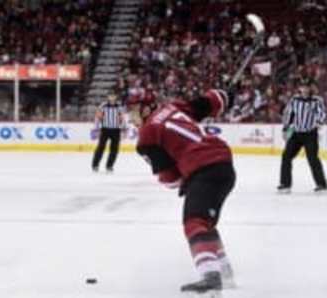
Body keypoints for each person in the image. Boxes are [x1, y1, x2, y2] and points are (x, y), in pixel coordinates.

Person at [126, 89, 236, 296]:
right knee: (204, 222)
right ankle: (224, 270)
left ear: (147, 108)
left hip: (204, 169)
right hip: (224, 165)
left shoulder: (147, 135)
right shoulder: (173, 107)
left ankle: (211, 277)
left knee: (194, 223)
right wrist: (227, 94)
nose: (131, 117)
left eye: (133, 111)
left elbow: (171, 179)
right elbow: (214, 100)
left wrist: (182, 178)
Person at [278, 78, 327, 193]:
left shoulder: (316, 100)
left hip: (310, 134)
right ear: (299, 88)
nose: (304, 89)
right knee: (286, 156)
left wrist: (319, 122)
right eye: (302, 87)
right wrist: (285, 128)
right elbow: (289, 113)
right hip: (297, 133)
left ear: (311, 88)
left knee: (313, 159)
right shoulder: (294, 100)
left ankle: (322, 184)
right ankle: (285, 184)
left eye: (306, 87)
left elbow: (322, 113)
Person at [91, 92, 125, 173]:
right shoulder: (103, 106)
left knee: (114, 149)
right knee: (100, 147)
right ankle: (95, 165)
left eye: (113, 96)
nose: (112, 97)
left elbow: (123, 118)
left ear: (116, 97)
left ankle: (109, 166)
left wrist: (124, 128)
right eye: (110, 96)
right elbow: (98, 117)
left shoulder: (119, 107)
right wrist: (96, 128)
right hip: (105, 129)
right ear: (108, 97)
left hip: (116, 130)